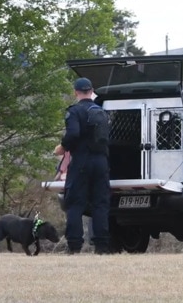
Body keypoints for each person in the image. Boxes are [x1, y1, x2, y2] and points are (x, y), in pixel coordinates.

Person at [54, 77, 110, 254]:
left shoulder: (74, 111)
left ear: (75, 92)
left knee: (75, 204)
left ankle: (74, 246)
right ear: (92, 90)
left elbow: (73, 133)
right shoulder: (101, 111)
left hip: (81, 162)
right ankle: (101, 246)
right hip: (101, 162)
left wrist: (62, 148)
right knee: (100, 204)